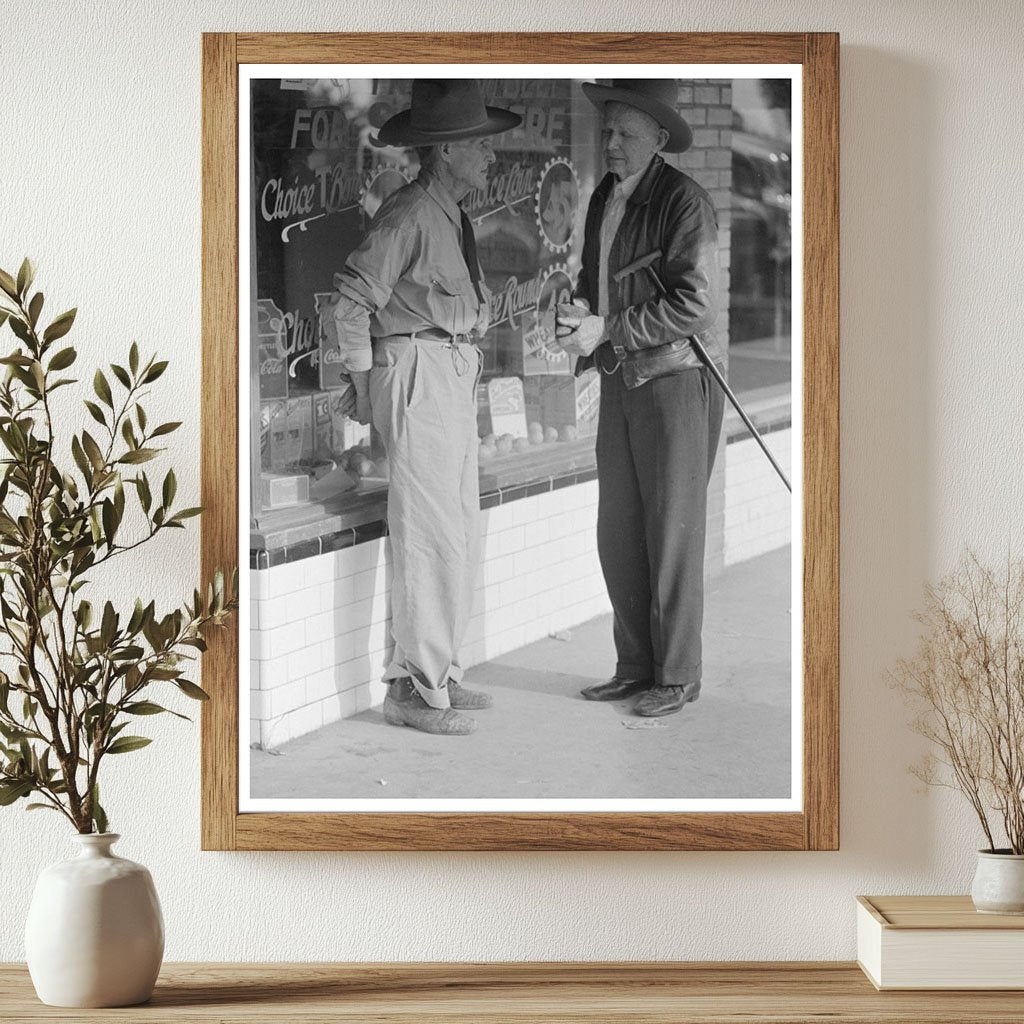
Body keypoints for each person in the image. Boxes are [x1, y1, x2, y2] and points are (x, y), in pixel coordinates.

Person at [325, 80, 521, 735]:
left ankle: (437, 672)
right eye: (481, 145)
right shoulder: (409, 214)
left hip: (450, 371)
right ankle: (415, 692)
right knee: (433, 534)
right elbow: (351, 305)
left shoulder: (452, 216)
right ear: (444, 150)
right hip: (417, 370)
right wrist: (363, 386)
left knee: (458, 530)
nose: (490, 156)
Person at [555, 80, 725, 717]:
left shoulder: (686, 203)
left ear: (659, 138)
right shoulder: (604, 195)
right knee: (618, 532)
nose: (612, 144)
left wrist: (611, 330)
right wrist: (579, 317)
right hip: (619, 380)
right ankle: (634, 667)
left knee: (672, 536)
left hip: (675, 386)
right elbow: (594, 279)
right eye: (607, 132)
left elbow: (694, 302)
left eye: (626, 133)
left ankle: (678, 675)